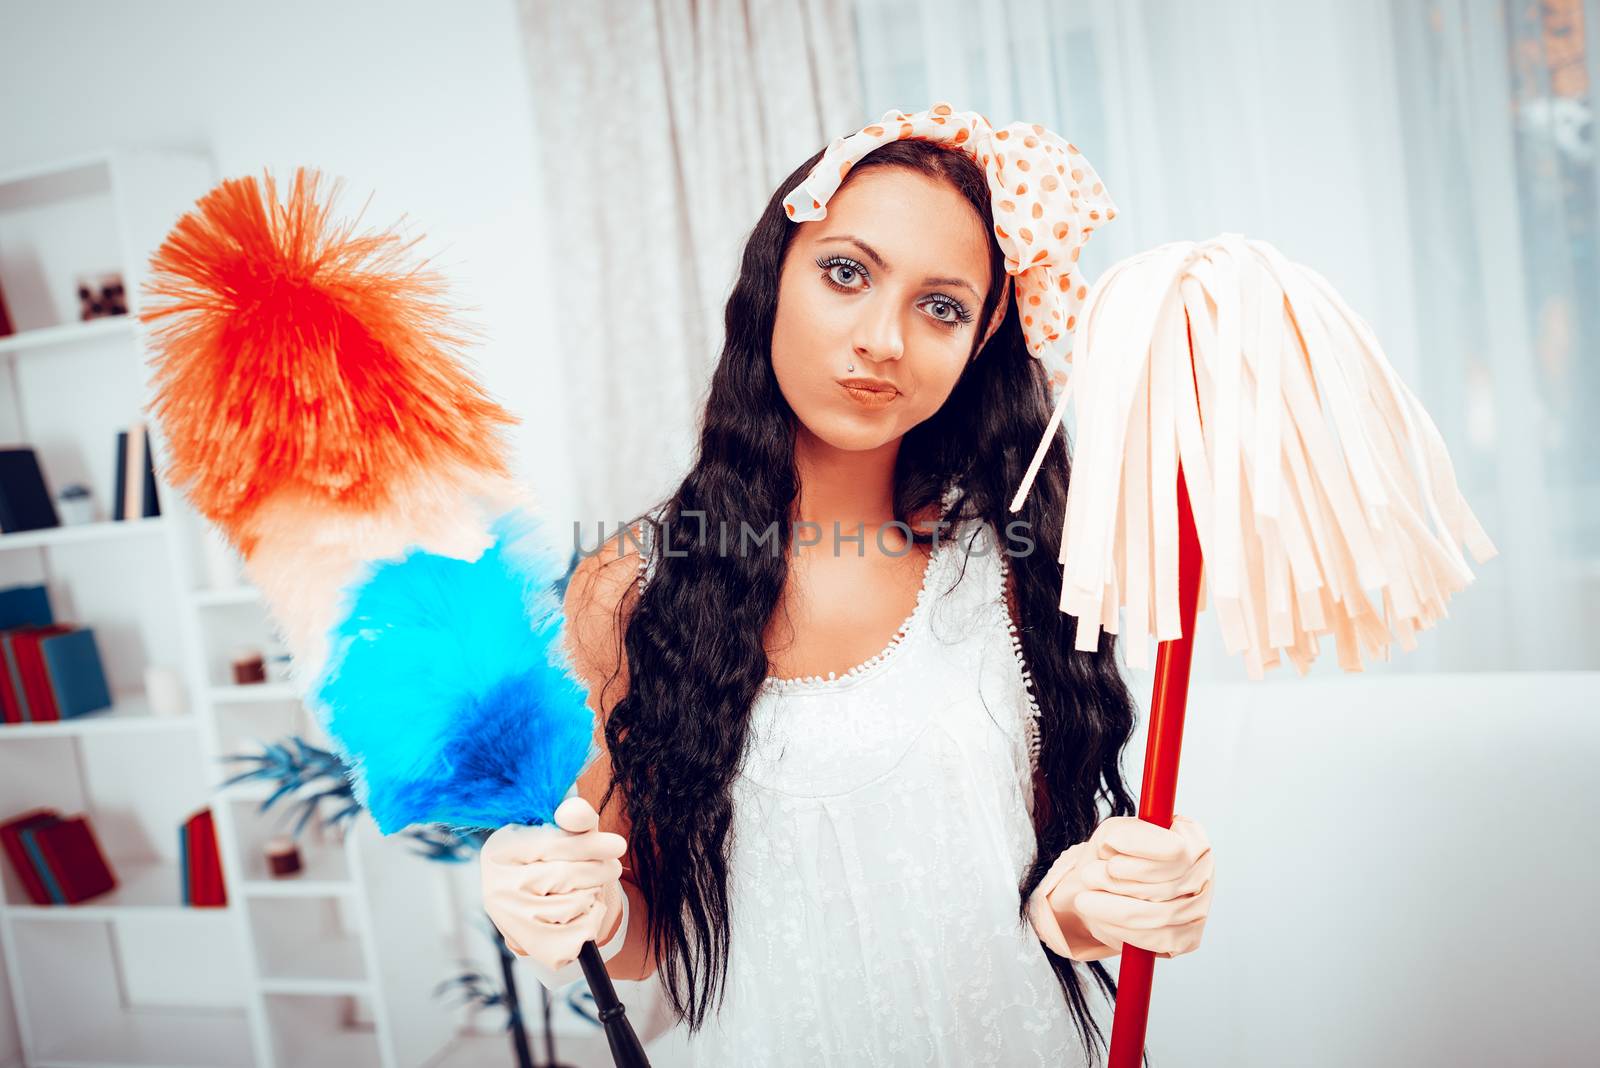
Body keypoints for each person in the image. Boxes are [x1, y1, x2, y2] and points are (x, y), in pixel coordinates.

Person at [480, 104, 1216, 1066]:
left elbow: (1044, 896)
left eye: (941, 305)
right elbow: (646, 942)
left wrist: (1096, 901)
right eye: (846, 272)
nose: (884, 339)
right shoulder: (631, 586)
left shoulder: (1016, 560)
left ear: (980, 341)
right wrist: (566, 904)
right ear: (771, 284)